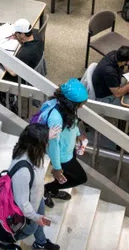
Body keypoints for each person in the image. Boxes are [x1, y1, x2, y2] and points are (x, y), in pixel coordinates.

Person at [0, 123, 62, 250]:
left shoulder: (29, 150)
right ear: (36, 145)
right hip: (26, 206)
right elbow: (23, 203)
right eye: (45, 142)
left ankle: (40, 242)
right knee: (30, 228)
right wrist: (35, 217)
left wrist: (48, 135)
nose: (47, 144)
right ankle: (3, 241)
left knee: (39, 223)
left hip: (37, 197)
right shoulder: (23, 171)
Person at [37, 79, 90, 208]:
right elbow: (53, 145)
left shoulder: (63, 107)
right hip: (62, 155)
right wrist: (56, 167)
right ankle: (47, 189)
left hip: (69, 148)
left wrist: (77, 134)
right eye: (80, 104)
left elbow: (73, 123)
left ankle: (53, 190)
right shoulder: (56, 118)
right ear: (71, 103)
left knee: (67, 175)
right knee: (81, 178)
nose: (82, 106)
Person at [4, 18, 45, 83]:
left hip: (24, 79)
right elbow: (25, 43)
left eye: (16, 33)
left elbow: (13, 73)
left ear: (22, 34)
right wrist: (17, 38)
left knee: (3, 76)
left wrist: (0, 58)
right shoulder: (37, 35)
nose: (14, 34)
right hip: (33, 67)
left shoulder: (25, 53)